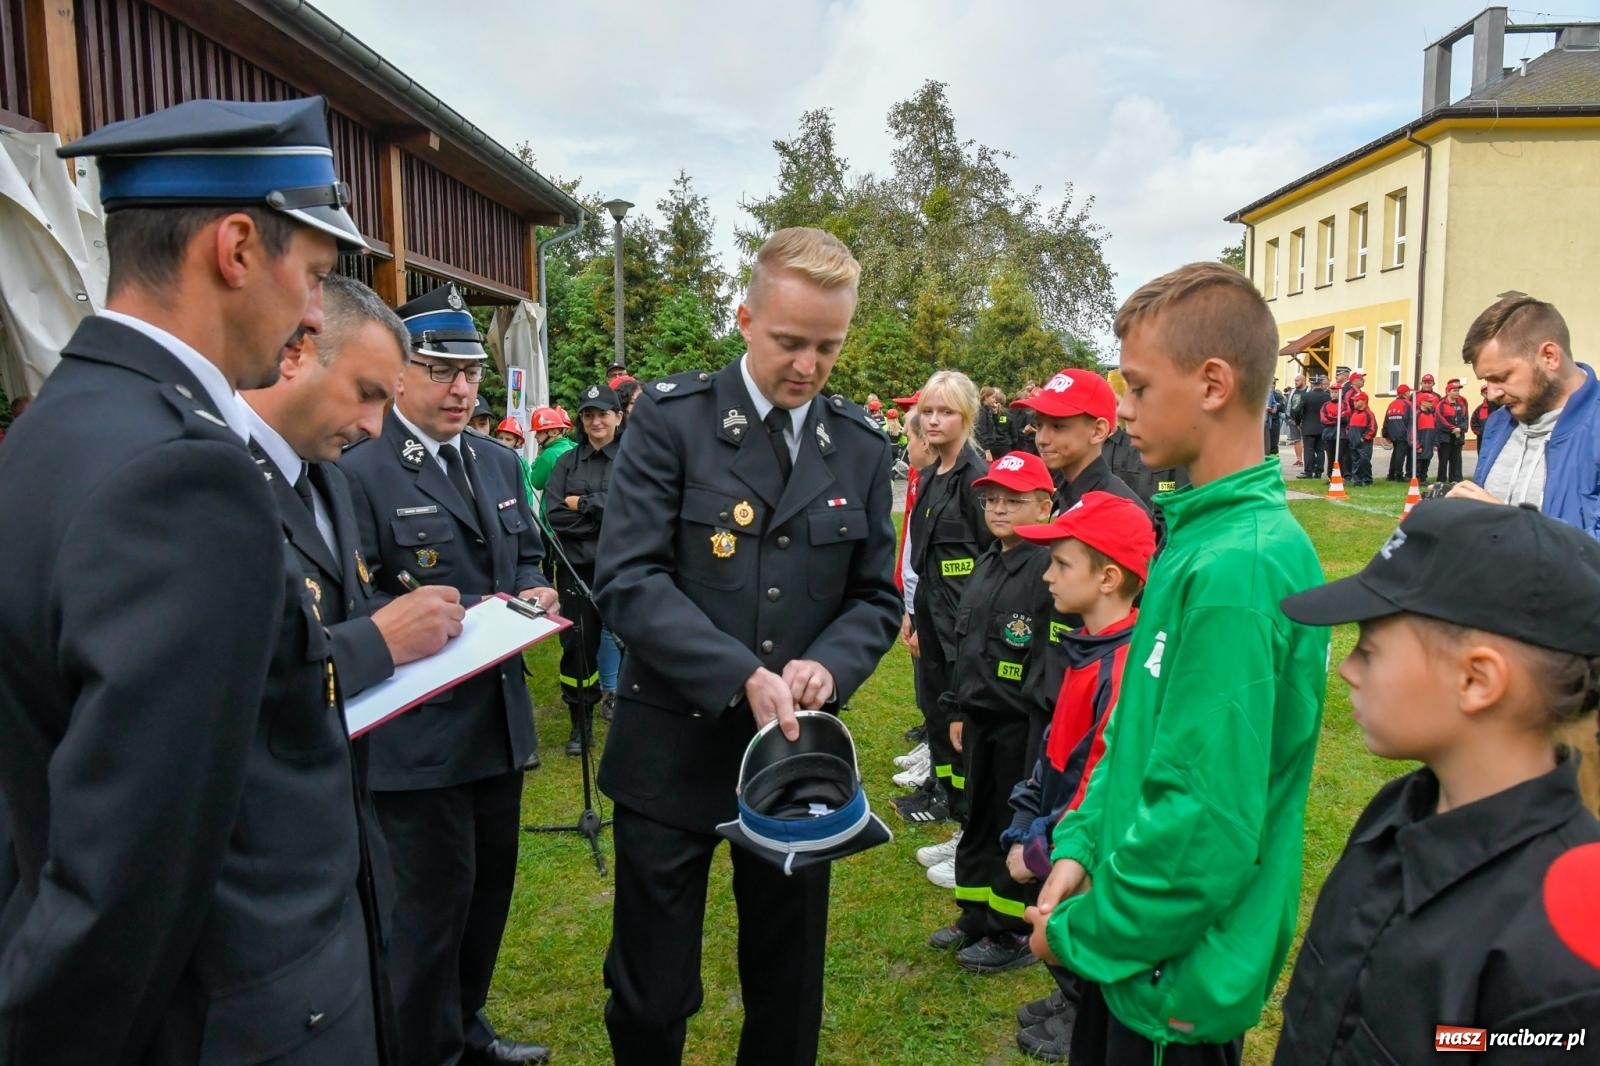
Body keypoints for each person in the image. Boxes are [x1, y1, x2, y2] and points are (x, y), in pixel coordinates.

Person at [0, 97, 388, 1063]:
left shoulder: (54, 427)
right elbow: (135, 858)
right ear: (238, 246)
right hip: (237, 1014)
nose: (310, 312)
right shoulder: (189, 471)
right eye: (314, 274)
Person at [592, 227, 899, 1065]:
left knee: (787, 985)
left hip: (796, 762)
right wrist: (739, 675)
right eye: (790, 342)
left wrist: (829, 664)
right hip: (671, 749)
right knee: (651, 990)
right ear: (745, 318)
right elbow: (628, 577)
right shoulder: (670, 420)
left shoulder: (862, 449)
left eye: (828, 348)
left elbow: (877, 595)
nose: (808, 366)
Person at [1025, 262, 1330, 1066]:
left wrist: (1082, 932)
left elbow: (1205, 825)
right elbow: (1136, 735)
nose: (1120, 410)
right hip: (1137, 953)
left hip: (1167, 977)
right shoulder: (1198, 534)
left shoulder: (1242, 565)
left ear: (1213, 383)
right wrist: (1082, 848)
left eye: (1136, 385)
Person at [1272, 500, 1600, 1064]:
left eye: (1369, 650)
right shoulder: (1397, 810)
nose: (1349, 669)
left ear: (1476, 679)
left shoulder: (1561, 944)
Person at [340, 282, 558, 1066]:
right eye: (440, 370)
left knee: (485, 901)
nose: (461, 388)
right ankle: (419, 1047)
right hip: (420, 733)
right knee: (426, 914)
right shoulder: (359, 468)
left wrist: (536, 590)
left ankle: (466, 1032)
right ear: (399, 374)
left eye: (470, 372)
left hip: (497, 722)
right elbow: (356, 594)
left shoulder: (499, 463)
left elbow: (525, 552)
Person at [1004, 491, 1155, 1063]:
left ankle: (1081, 1005)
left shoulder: (1123, 668)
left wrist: (1039, 841)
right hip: (1055, 825)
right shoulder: (1088, 646)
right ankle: (1073, 996)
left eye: (1062, 563)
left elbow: (1100, 780)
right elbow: (1055, 750)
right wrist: (1025, 819)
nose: (1046, 576)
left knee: (1069, 918)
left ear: (1109, 577)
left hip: (1078, 841)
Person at [1451, 293, 1600, 814]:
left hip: (1579, 674)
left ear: (1549, 356)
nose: (1489, 394)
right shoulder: (1499, 426)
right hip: (1499, 658)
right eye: (1483, 381)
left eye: (1500, 377)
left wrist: (1512, 525)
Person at [924, 451, 1054, 973]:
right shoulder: (988, 560)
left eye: (1014, 501)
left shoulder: (1048, 567)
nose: (998, 510)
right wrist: (956, 707)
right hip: (978, 717)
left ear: (1045, 505)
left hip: (1021, 723)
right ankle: (974, 913)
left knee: (1009, 824)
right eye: (991, 500)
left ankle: (1012, 930)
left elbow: (1048, 657)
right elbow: (969, 643)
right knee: (976, 818)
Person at [896, 370, 993, 825]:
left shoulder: (979, 482)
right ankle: (949, 806)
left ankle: (969, 820)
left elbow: (993, 559)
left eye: (945, 412)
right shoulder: (932, 475)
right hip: (934, 623)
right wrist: (915, 613)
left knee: (964, 727)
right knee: (938, 718)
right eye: (928, 411)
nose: (932, 421)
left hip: (967, 631)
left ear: (967, 416)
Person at [545, 382, 621, 755]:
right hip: (576, 570)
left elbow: (636, 509)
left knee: (639, 642)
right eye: (588, 415)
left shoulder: (636, 459)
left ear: (618, 417)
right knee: (577, 647)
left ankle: (637, 717)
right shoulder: (566, 462)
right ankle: (581, 723)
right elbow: (554, 514)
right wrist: (603, 514)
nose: (595, 421)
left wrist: (585, 504)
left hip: (625, 568)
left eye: (602, 414)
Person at [1298, 372, 1331, 480]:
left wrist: (1299, 421)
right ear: (1321, 384)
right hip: (1322, 427)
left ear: (1311, 384)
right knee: (1320, 450)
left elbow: (1298, 410)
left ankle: (1308, 472)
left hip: (1308, 426)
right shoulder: (1327, 396)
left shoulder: (1306, 396)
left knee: (1309, 449)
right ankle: (1319, 472)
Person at [1437, 377, 1469, 483]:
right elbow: (1440, 419)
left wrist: (1460, 428)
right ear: (1448, 391)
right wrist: (1452, 428)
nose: (1457, 393)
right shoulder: (1441, 404)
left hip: (1458, 436)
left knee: (1456, 459)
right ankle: (1441, 480)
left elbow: (1465, 418)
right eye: (1454, 391)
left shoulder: (1462, 404)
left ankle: (1456, 479)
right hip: (1445, 437)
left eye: (1458, 391)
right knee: (1443, 459)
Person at [1344, 390, 1377, 486]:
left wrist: (1364, 438)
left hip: (1364, 443)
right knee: (1355, 462)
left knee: (1364, 461)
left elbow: (1373, 428)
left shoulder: (1369, 414)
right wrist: (1349, 435)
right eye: (1354, 400)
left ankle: (1367, 480)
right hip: (1353, 442)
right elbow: (1349, 427)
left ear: (1364, 401)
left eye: (1357, 400)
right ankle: (1356, 480)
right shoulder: (1354, 414)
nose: (1354, 402)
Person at [1381, 385, 1413, 481]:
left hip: (1392, 433)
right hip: (1403, 433)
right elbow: (1411, 420)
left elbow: (1386, 419)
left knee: (1395, 453)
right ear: (1405, 393)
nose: (1409, 394)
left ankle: (1391, 474)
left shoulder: (1392, 404)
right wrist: (1411, 434)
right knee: (1400, 454)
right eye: (1408, 392)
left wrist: (1385, 434)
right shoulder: (1408, 404)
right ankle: (1399, 475)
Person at [976, 385, 1017, 459]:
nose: (994, 400)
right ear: (986, 398)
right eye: (993, 398)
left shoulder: (989, 411)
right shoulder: (982, 412)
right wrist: (987, 450)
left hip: (996, 445)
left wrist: (995, 414)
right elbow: (982, 432)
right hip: (992, 447)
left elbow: (997, 425)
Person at [1285, 372, 1307, 468]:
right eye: (1295, 381)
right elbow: (1288, 404)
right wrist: (1288, 416)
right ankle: (1299, 459)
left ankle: (1308, 459)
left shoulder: (1309, 391)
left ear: (1303, 381)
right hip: (1293, 420)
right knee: (1296, 440)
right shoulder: (1293, 391)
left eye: (1297, 381)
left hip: (1305, 420)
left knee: (1307, 440)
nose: (1295, 382)